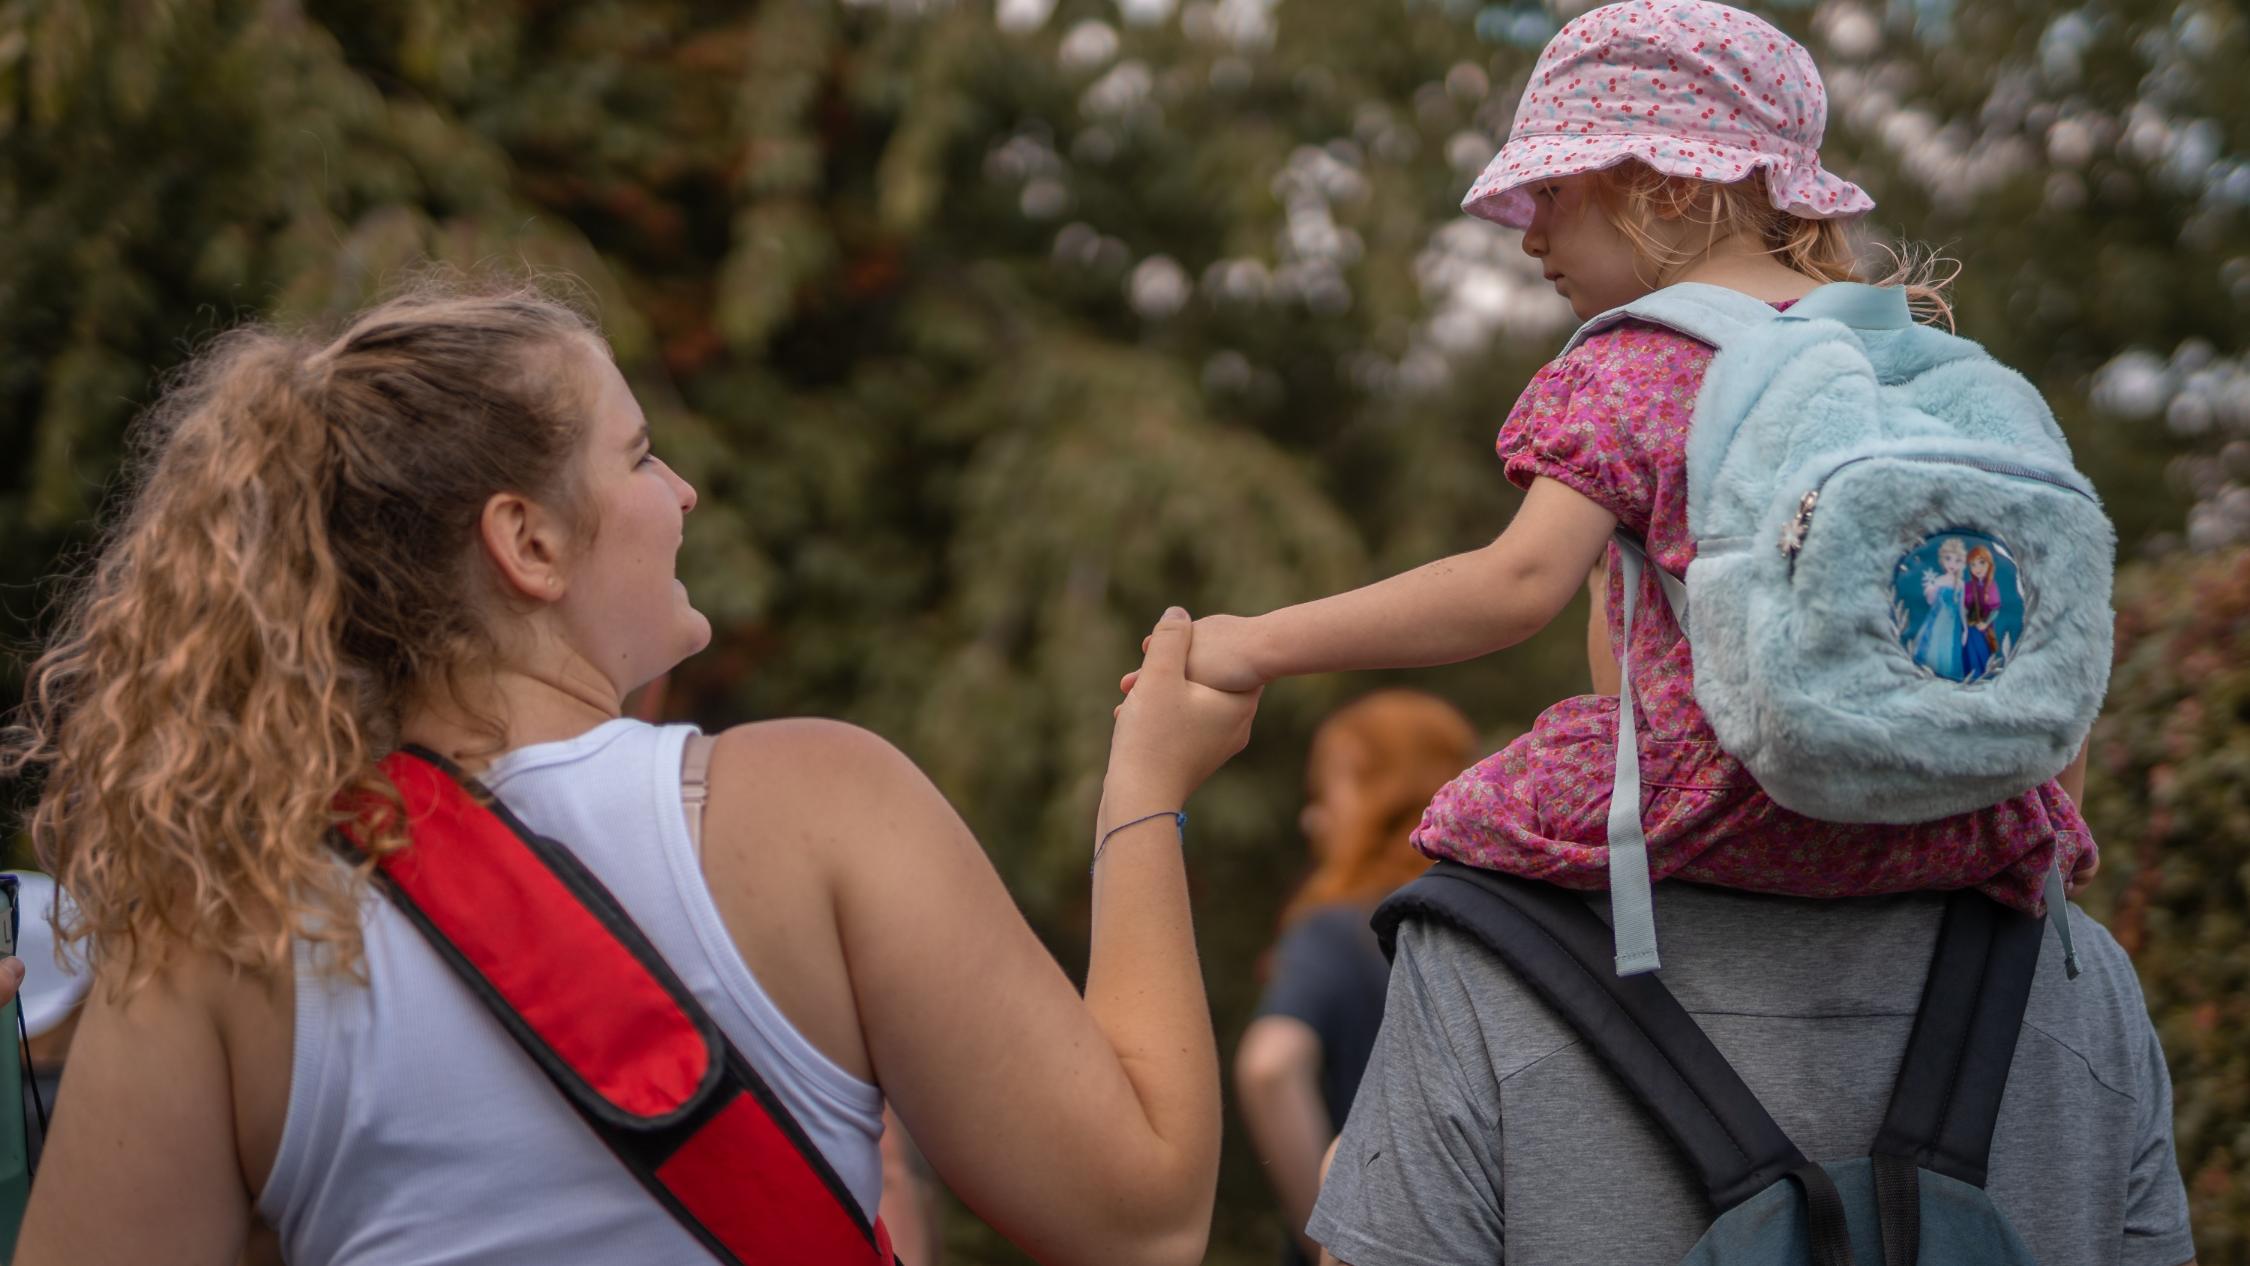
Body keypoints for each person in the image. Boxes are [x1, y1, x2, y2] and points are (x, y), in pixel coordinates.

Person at [4, 280, 1260, 1266]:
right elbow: (1139, 1221)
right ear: (530, 540)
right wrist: (1144, 790)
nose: (686, 490)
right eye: (642, 454)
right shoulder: (823, 807)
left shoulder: (215, 931)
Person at [1134, 2, 2096, 925]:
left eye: (1552, 191)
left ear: (1670, 185)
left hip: (1737, 807)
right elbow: (2059, 618)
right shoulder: (1920, 362)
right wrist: (2045, 843)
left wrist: (1253, 642)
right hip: (1965, 820)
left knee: (1459, 851)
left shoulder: (1640, 360)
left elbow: (1511, 587)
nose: (1530, 235)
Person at [1234, 691, 1476, 1265]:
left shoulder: (1338, 927)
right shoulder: (1489, 919)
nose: (1311, 817)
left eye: (1327, 792)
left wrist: (1330, 1240)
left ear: (1383, 791)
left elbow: (1269, 1067)